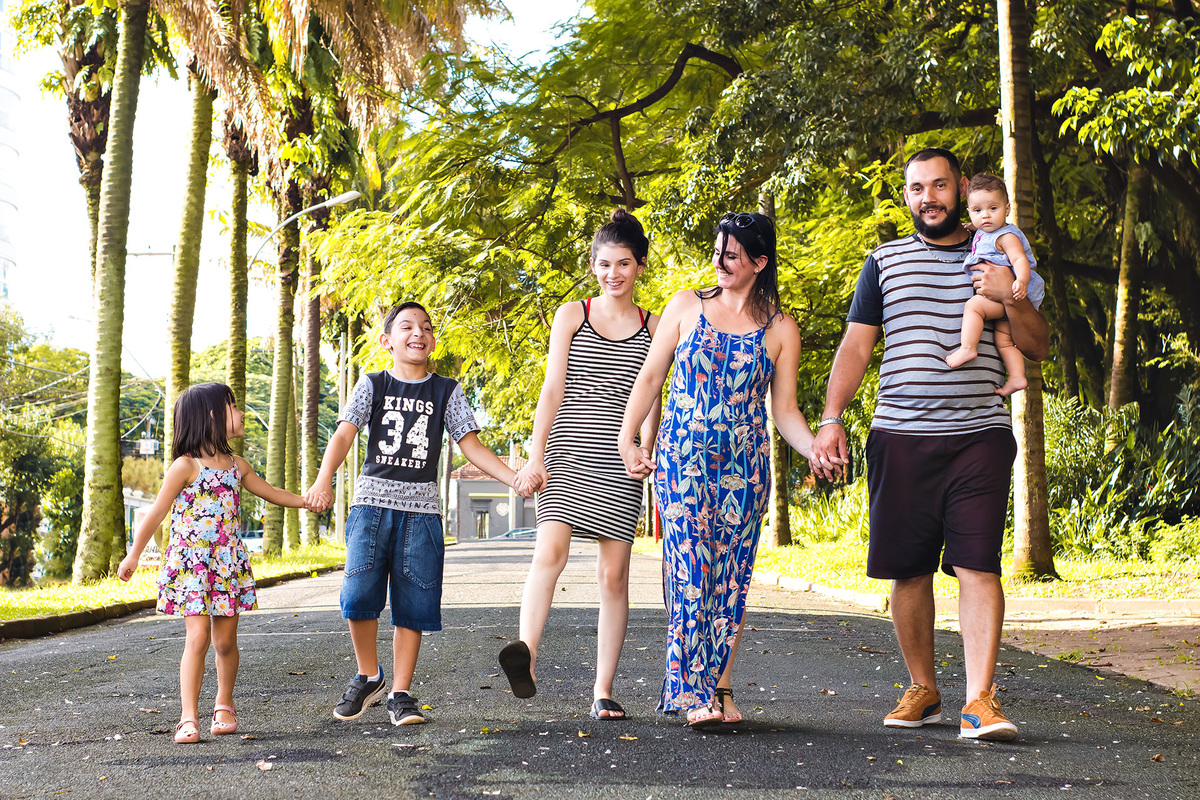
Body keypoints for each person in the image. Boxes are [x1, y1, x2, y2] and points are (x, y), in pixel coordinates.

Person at [809, 148, 1049, 741]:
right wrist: (831, 417)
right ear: (907, 195)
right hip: (900, 434)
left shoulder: (999, 253)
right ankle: (924, 688)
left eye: (939, 186)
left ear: (960, 188)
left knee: (977, 564)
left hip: (980, 435)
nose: (928, 198)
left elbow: (1038, 345)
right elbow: (856, 346)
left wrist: (1011, 293)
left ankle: (979, 701)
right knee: (908, 570)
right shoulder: (883, 261)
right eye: (917, 188)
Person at [618, 211, 821, 729]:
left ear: (759, 262)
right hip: (682, 465)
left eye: (732, 255)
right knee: (691, 571)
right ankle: (694, 693)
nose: (720, 262)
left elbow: (785, 411)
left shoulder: (781, 328)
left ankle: (719, 686)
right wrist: (628, 436)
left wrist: (814, 448)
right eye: (717, 253)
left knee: (730, 579)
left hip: (744, 471)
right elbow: (650, 377)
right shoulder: (686, 305)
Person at [304, 302, 530, 726]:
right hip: (371, 507)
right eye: (406, 326)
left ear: (432, 341)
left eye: (426, 327)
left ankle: (401, 692)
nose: (418, 333)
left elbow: (472, 446)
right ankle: (369, 675)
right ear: (387, 341)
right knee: (357, 595)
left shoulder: (447, 390)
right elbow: (344, 435)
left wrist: (514, 477)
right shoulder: (373, 384)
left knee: (414, 601)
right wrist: (322, 480)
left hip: (421, 514)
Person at [499, 209, 661, 721]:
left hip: (620, 457)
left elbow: (653, 396)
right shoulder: (572, 314)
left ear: (640, 266)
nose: (614, 273)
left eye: (624, 264)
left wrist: (646, 449)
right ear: (593, 265)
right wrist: (535, 455)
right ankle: (525, 656)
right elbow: (552, 389)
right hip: (567, 448)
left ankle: (603, 690)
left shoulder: (656, 327)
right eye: (604, 264)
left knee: (613, 577)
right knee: (550, 550)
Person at [118, 382, 310, 744]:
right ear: (211, 416)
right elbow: (156, 512)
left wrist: (306, 501)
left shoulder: (238, 466)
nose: (241, 413)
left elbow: (272, 492)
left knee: (224, 641)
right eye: (232, 407)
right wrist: (134, 554)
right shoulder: (185, 466)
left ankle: (224, 703)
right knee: (198, 637)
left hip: (226, 565)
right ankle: (188, 716)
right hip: (192, 565)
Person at [946, 172, 1046, 397]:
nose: (986, 216)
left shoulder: (1006, 236)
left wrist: (1021, 281)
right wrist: (973, 227)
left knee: (974, 307)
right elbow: (981, 229)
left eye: (993, 208)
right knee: (1004, 340)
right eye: (977, 211)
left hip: (1012, 293)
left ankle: (967, 348)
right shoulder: (984, 232)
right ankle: (1017, 377)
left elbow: (1019, 260)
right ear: (969, 212)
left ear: (1007, 209)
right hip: (1005, 299)